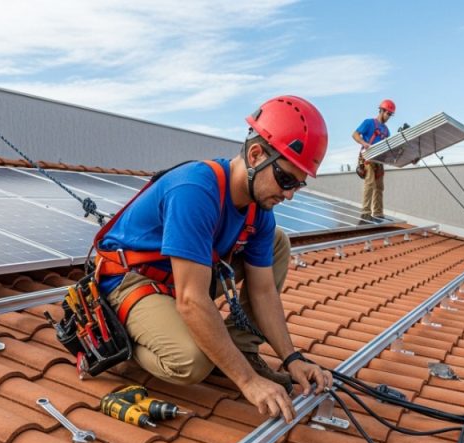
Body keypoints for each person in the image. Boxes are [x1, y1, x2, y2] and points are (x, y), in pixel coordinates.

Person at [94, 95, 333, 423]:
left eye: (299, 185)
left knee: (277, 242)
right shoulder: (196, 190)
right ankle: (125, 341)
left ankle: (240, 348)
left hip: (182, 278)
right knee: (192, 362)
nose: (290, 194)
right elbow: (192, 301)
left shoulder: (258, 210)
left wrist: (292, 359)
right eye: (286, 179)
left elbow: (263, 292)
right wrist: (247, 382)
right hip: (133, 279)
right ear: (255, 154)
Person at [352, 99, 396, 220]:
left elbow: (387, 147)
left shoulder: (386, 131)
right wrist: (364, 143)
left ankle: (378, 213)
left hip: (379, 160)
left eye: (390, 115)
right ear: (381, 110)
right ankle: (365, 212)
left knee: (379, 187)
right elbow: (355, 134)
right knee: (370, 183)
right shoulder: (369, 123)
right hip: (367, 158)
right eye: (387, 113)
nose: (388, 117)